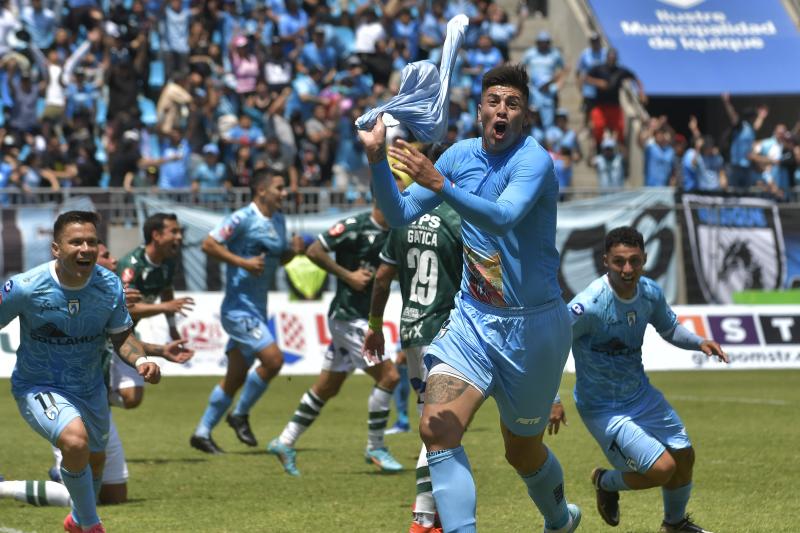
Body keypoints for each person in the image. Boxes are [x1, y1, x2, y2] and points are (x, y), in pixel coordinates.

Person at [358, 64, 580, 533]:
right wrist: (377, 159)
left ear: (525, 116)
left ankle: (560, 520)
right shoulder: (459, 155)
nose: (502, 110)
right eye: (494, 101)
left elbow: (503, 217)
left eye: (513, 104)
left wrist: (441, 185)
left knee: (521, 451)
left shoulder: (534, 161)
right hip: (472, 321)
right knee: (436, 428)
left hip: (533, 329)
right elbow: (399, 214)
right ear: (480, 111)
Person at [0, 210, 161, 533]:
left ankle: (76, 519)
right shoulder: (25, 287)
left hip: (90, 388)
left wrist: (141, 360)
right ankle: (90, 525)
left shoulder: (109, 285)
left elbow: (122, 336)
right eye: (76, 242)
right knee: (74, 443)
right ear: (56, 249)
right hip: (39, 384)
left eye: (91, 241)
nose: (86, 248)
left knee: (95, 461)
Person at [565, 226, 727, 533]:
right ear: (605, 261)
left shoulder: (650, 293)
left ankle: (674, 525)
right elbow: (553, 344)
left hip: (641, 395)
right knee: (662, 469)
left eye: (634, 261)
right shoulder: (589, 305)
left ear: (644, 260)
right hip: (603, 408)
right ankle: (604, 481)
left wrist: (699, 342)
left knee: (684, 456)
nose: (627, 269)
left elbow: (670, 328)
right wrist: (551, 398)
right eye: (619, 261)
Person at [267, 200, 404, 477]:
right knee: (389, 377)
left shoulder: (396, 230)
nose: (405, 195)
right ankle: (375, 447)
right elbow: (314, 250)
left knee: (327, 387)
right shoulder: (354, 227)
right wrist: (348, 275)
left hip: (359, 316)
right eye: (399, 189)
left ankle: (284, 441)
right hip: (348, 316)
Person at [363, 192, 463, 533]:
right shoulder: (457, 218)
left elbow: (381, 278)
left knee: (430, 422)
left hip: (412, 330)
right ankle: (422, 518)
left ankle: (433, 515)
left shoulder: (402, 217)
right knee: (441, 429)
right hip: (446, 333)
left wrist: (375, 325)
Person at [190, 170, 295, 454]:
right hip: (238, 309)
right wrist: (242, 262)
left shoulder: (279, 220)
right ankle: (239, 415)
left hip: (258, 309)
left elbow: (278, 259)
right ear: (261, 190)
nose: (284, 193)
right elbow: (208, 244)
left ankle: (201, 432)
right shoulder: (242, 218)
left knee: (235, 378)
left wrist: (293, 252)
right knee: (273, 360)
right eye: (279, 188)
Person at [116, 213, 194, 410]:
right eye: (173, 232)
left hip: (129, 333)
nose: (179, 237)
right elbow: (126, 308)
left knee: (133, 397)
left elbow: (167, 293)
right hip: (109, 333)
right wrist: (164, 307)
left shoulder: (168, 263)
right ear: (156, 235)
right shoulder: (131, 265)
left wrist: (173, 328)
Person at [585, 48, 646, 148]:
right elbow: (586, 78)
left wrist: (641, 93)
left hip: (615, 106)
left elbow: (635, 78)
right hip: (600, 106)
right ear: (607, 57)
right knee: (598, 127)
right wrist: (599, 83)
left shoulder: (620, 71)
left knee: (620, 129)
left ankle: (621, 149)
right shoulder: (599, 68)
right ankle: (598, 148)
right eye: (610, 57)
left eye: (614, 57)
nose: (612, 59)